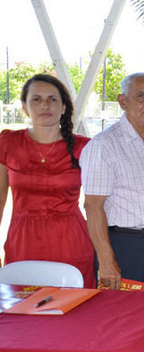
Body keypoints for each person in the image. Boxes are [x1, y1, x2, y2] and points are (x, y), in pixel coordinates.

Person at [81, 72, 144, 291]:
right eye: (141, 96)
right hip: (127, 246)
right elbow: (93, 207)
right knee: (126, 318)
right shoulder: (104, 145)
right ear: (123, 101)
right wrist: (106, 261)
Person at [0, 74, 95, 287]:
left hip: (71, 243)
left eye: (53, 99)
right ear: (24, 106)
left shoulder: (85, 147)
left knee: (75, 312)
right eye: (36, 99)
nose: (45, 105)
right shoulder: (8, 143)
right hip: (22, 242)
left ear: (63, 107)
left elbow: (96, 205)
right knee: (21, 312)